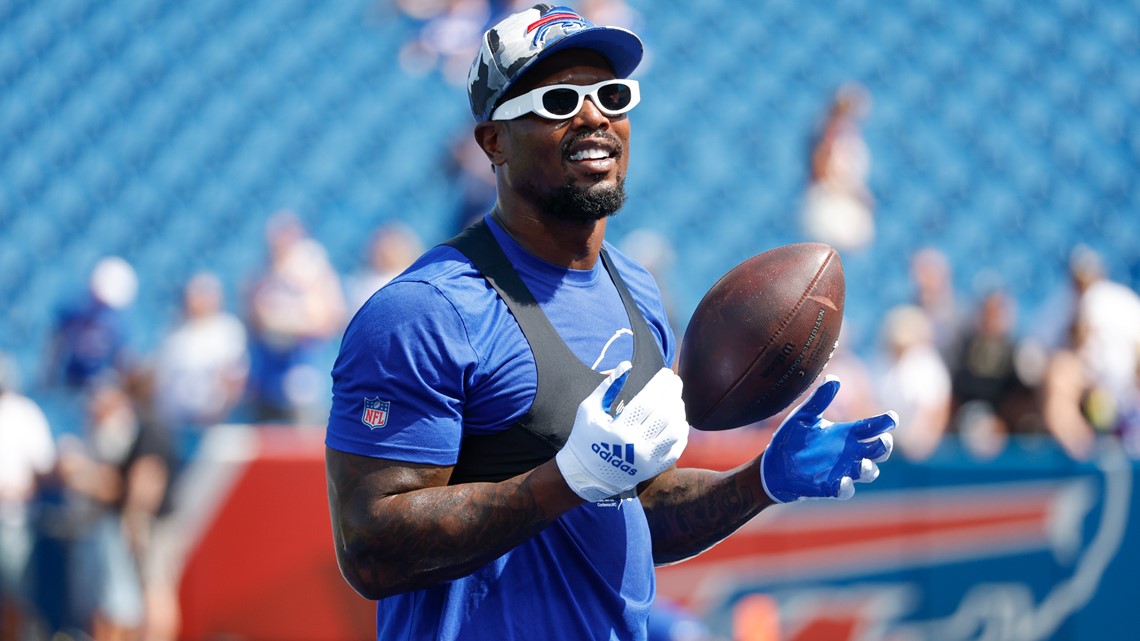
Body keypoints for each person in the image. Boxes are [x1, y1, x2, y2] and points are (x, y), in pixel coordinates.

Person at [324, 6, 898, 640]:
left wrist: (759, 481)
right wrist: (565, 479)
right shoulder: (428, 310)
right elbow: (370, 548)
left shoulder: (638, 292)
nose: (593, 115)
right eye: (559, 99)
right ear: (493, 141)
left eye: (612, 95)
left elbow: (637, 508)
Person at [0, 355, 56, 640]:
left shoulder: (24, 413)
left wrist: (17, 490)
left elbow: (43, 467)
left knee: (15, 594)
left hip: (14, 519)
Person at [800, 83, 875, 253]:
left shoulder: (846, 133)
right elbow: (823, 166)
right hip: (828, 202)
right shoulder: (828, 132)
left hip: (841, 202)